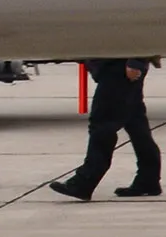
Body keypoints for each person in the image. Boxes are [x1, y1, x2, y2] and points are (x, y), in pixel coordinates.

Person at [51, 58, 160, 200]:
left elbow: (133, 35)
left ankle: (85, 180)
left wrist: (136, 61)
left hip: (118, 66)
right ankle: (148, 179)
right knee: (135, 123)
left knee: (102, 123)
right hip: (118, 65)